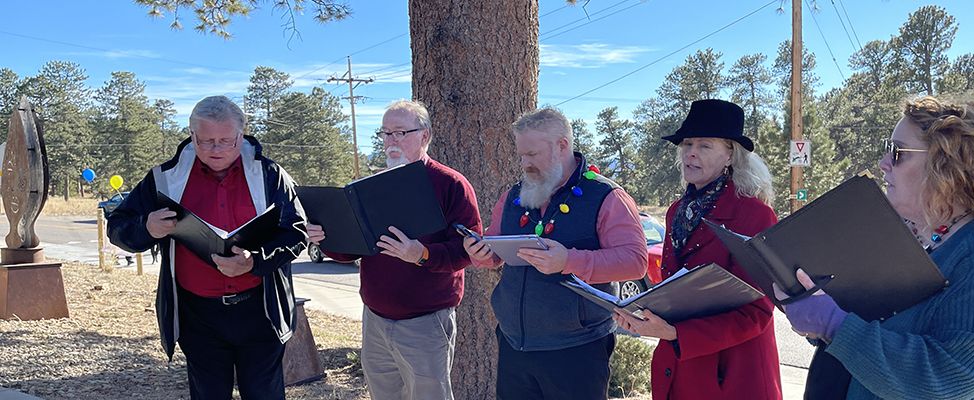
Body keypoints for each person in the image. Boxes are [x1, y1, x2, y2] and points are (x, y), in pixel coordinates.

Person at [777, 96, 974, 399]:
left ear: (948, 164)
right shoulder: (916, 238)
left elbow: (944, 379)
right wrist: (819, 319)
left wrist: (835, 326)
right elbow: (876, 332)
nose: (883, 163)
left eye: (897, 153)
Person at [107, 96, 307, 399]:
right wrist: (146, 227)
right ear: (191, 134)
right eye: (206, 140)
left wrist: (255, 261)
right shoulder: (165, 179)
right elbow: (117, 228)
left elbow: (296, 232)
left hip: (260, 310)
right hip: (198, 317)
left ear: (242, 135)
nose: (216, 149)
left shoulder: (270, 175)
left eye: (226, 141)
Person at [463, 106, 647, 400]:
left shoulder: (606, 196)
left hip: (577, 348)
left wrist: (569, 261)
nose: (524, 164)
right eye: (521, 155)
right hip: (514, 344)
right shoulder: (513, 195)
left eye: (532, 154)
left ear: (562, 145)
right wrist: (481, 252)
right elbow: (495, 247)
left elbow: (636, 262)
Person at [306, 100, 481, 400]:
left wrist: (422, 254)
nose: (391, 141)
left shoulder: (450, 184)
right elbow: (353, 249)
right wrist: (324, 238)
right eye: (385, 133)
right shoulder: (369, 187)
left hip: (425, 322)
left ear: (424, 136)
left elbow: (467, 251)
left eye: (400, 132)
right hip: (375, 319)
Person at [612, 99, 782, 399]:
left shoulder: (755, 215)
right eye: (687, 143)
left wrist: (677, 334)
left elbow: (757, 313)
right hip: (680, 372)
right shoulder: (677, 210)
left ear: (730, 154)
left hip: (733, 378)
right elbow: (674, 290)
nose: (690, 152)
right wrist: (642, 314)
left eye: (705, 145)